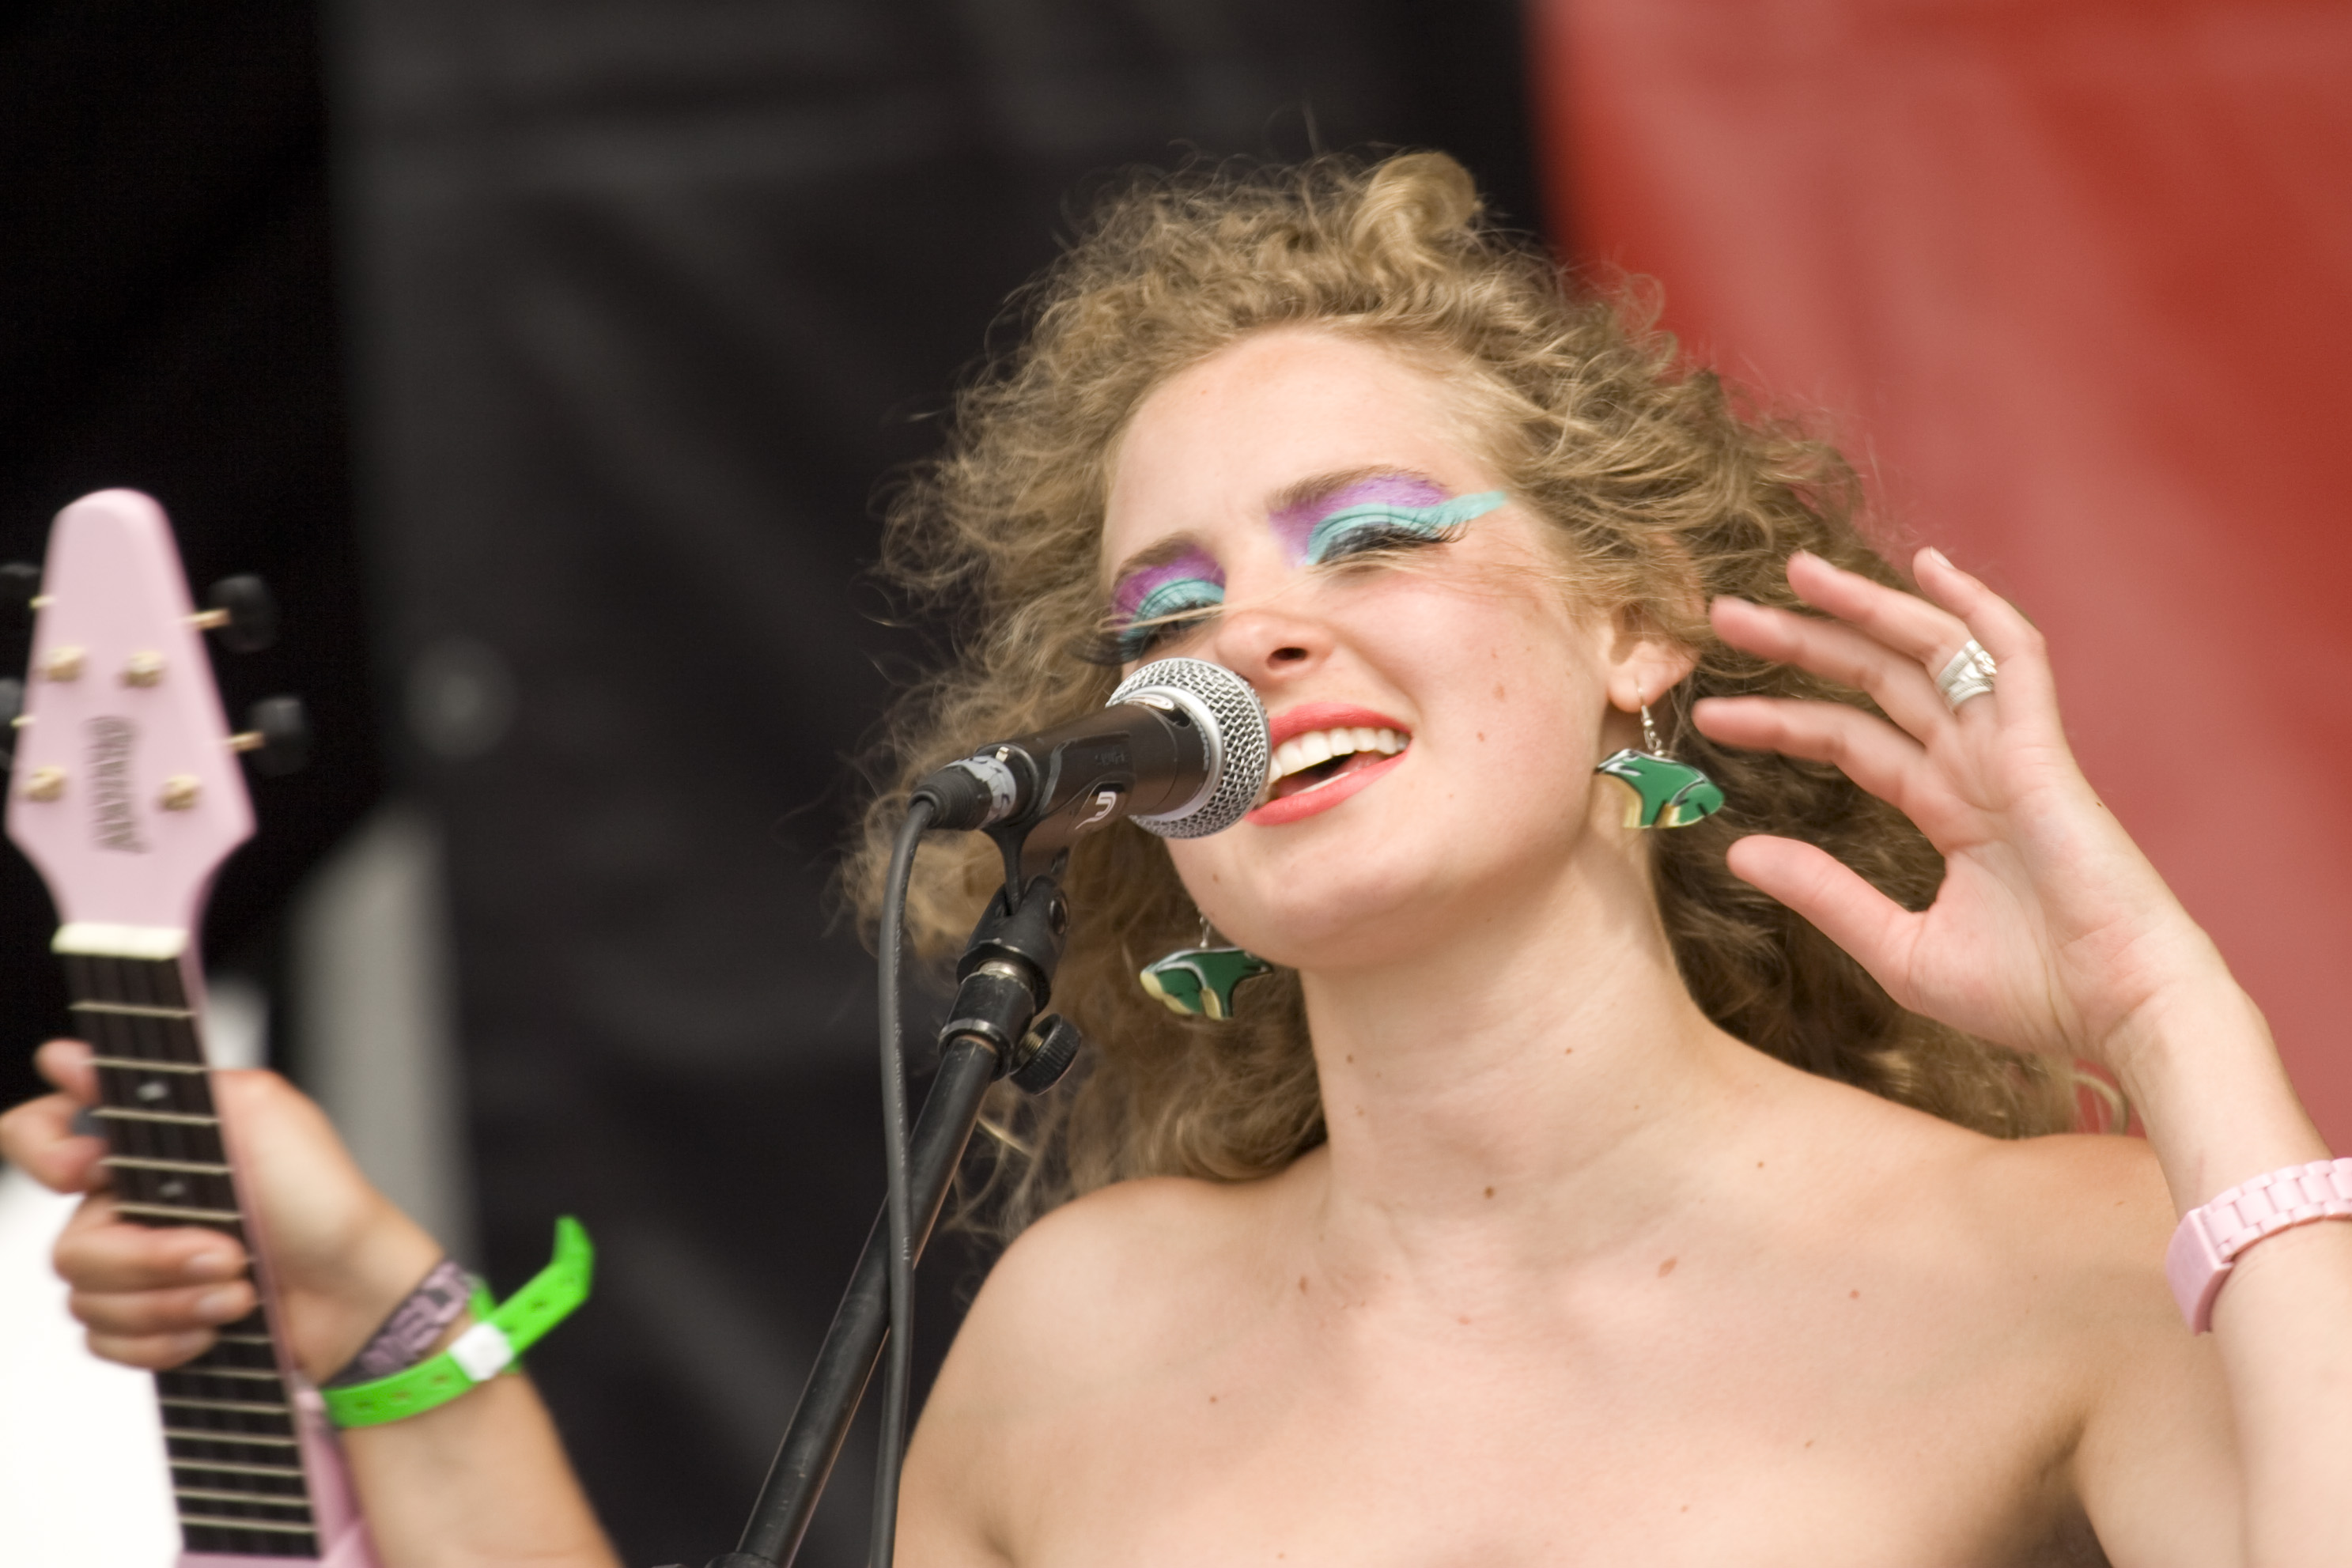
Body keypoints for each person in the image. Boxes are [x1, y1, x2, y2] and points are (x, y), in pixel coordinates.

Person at [5, 153, 2347, 1566]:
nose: (1250, 635)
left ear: (1634, 623)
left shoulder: (2079, 1263)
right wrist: (386, 1323)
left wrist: (2172, 1027)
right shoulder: (1085, 1330)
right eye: (1165, 610)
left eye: (1375, 535)